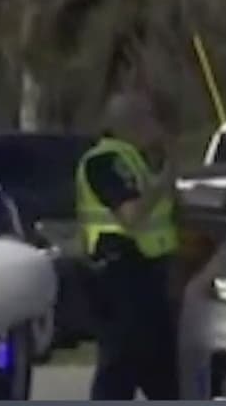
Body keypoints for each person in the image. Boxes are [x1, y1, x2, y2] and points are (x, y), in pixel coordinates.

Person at [76, 89, 180, 400]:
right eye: (151, 118)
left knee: (158, 367)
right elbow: (132, 214)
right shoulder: (106, 160)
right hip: (121, 273)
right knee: (122, 366)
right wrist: (164, 181)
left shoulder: (135, 160)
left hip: (148, 277)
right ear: (132, 122)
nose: (157, 126)